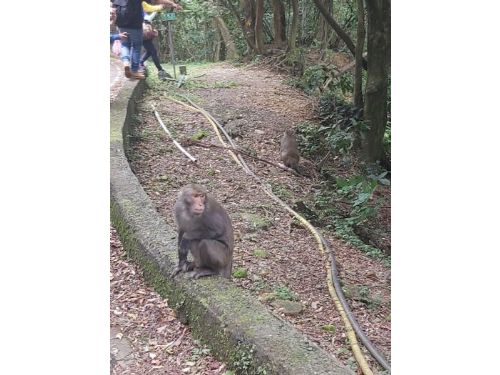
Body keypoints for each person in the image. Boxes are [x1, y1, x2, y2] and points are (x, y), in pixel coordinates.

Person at [112, 0, 182, 80]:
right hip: (135, 24)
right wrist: (171, 3)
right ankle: (134, 71)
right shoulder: (143, 6)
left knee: (125, 44)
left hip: (121, 22)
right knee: (136, 47)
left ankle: (126, 63)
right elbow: (155, 2)